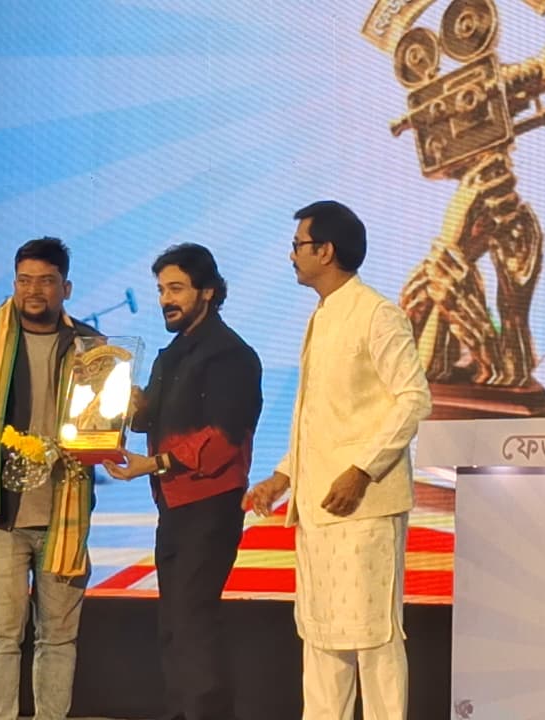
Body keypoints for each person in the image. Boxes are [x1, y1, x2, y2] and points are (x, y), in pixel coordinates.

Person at [245, 201, 431, 720]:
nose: (292, 256)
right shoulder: (324, 314)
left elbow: (413, 398)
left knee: (374, 642)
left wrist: (362, 469)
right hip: (319, 509)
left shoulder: (376, 313)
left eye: (298, 245)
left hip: (363, 507)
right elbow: (322, 418)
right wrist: (282, 476)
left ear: (325, 251)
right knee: (322, 638)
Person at [104, 243, 262, 720]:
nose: (165, 300)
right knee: (173, 626)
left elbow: (222, 440)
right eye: (160, 290)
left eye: (176, 289)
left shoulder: (232, 356)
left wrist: (153, 464)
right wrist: (121, 402)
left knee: (193, 623)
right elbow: (150, 418)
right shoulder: (170, 355)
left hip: (211, 506)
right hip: (173, 506)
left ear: (207, 291)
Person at [0, 237, 100, 720]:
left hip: (64, 512)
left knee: (58, 637)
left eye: (46, 281)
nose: (34, 290)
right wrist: (12, 447)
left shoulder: (92, 346)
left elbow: (104, 422)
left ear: (66, 288)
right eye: (25, 280)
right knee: (1, 635)